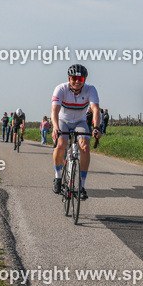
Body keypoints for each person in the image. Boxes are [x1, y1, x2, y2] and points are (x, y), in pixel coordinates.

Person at [51, 64, 101, 200]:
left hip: (80, 122)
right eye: (74, 78)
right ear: (69, 78)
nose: (77, 81)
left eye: (80, 79)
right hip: (63, 121)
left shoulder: (90, 90)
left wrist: (96, 127)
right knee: (61, 144)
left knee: (85, 147)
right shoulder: (61, 89)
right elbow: (54, 111)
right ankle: (58, 177)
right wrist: (56, 127)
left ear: (84, 79)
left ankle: (82, 185)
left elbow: (95, 109)